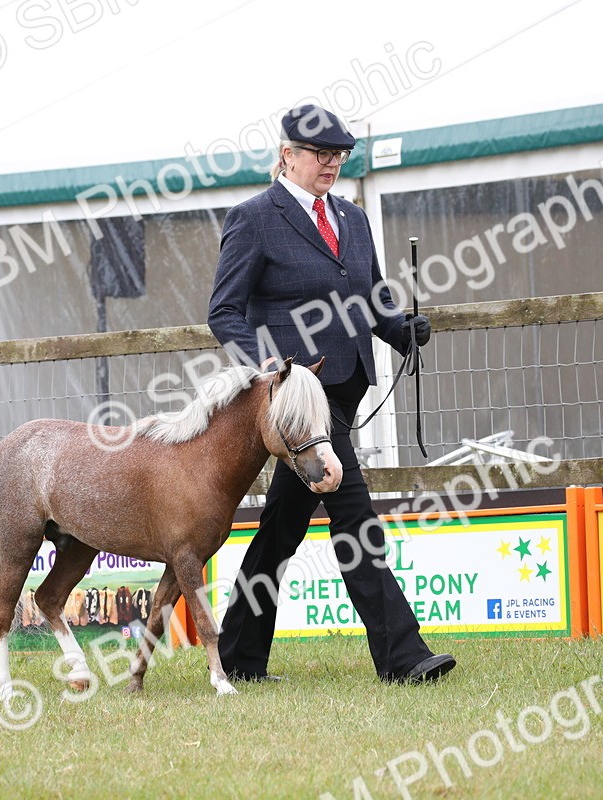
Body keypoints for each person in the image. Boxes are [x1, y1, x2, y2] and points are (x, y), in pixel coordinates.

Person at [207, 104, 456, 684]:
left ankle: (240, 656)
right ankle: (404, 657)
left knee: (282, 529)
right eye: (321, 155)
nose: (332, 165)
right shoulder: (254, 218)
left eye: (340, 156)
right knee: (355, 513)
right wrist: (271, 369)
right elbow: (223, 312)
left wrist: (401, 331)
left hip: (343, 389)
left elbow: (371, 298)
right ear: (287, 154)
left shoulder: (352, 218)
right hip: (296, 399)